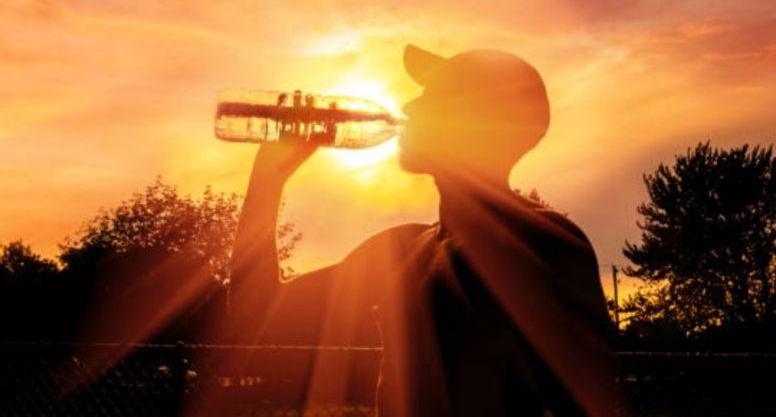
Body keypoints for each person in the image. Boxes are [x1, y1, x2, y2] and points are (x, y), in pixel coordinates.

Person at [213, 44, 618, 417]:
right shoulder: (402, 249)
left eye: (435, 97)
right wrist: (269, 178)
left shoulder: (543, 245)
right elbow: (257, 316)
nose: (410, 105)